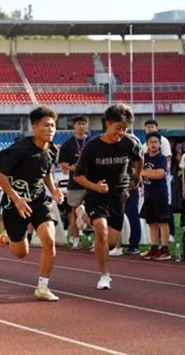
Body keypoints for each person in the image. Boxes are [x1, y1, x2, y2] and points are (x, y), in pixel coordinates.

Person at [0, 106, 63, 301]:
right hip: (15, 204)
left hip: (39, 199)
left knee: (49, 240)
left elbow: (46, 171)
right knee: (21, 253)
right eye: (46, 125)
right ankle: (10, 235)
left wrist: (53, 188)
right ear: (34, 127)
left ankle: (42, 287)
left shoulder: (52, 150)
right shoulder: (21, 148)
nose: (50, 129)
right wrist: (15, 198)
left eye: (53, 125)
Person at [73, 104, 142, 290]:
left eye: (125, 129)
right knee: (101, 231)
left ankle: (85, 217)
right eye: (118, 128)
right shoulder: (92, 147)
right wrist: (94, 186)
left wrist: (137, 176)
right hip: (97, 194)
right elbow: (77, 175)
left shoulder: (130, 143)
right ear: (107, 124)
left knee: (110, 243)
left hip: (119, 195)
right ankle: (104, 275)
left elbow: (139, 158)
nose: (121, 132)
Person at [58, 115, 89, 249]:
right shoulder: (68, 143)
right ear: (74, 126)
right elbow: (62, 163)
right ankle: (75, 239)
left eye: (83, 123)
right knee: (74, 211)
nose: (81, 126)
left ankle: (94, 238)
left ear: (86, 125)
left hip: (90, 182)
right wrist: (72, 167)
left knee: (94, 211)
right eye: (78, 124)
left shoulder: (92, 142)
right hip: (75, 182)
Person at [139, 132, 171, 260]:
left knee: (162, 222)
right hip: (148, 195)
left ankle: (165, 249)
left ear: (160, 144)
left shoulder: (161, 158)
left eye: (155, 142)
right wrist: (145, 173)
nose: (153, 144)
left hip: (160, 194)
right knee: (151, 222)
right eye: (150, 142)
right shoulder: (144, 157)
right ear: (146, 144)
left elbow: (160, 174)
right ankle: (153, 247)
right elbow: (135, 171)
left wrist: (142, 173)